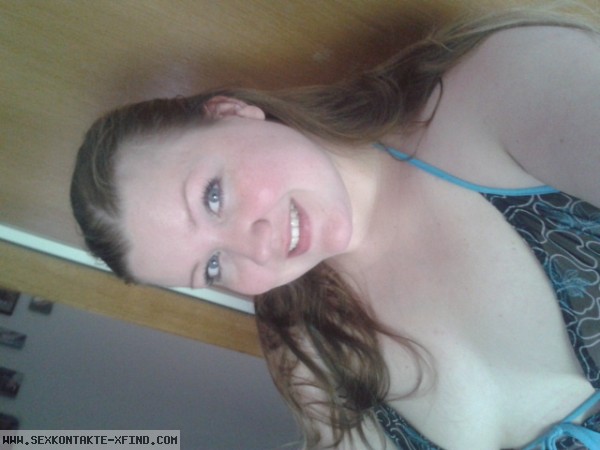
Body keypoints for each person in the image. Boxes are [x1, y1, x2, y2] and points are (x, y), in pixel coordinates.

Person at [70, 5, 600, 449]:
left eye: (213, 197)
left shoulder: (495, 90)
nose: (256, 248)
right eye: (212, 266)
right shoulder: (307, 349)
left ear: (232, 111)